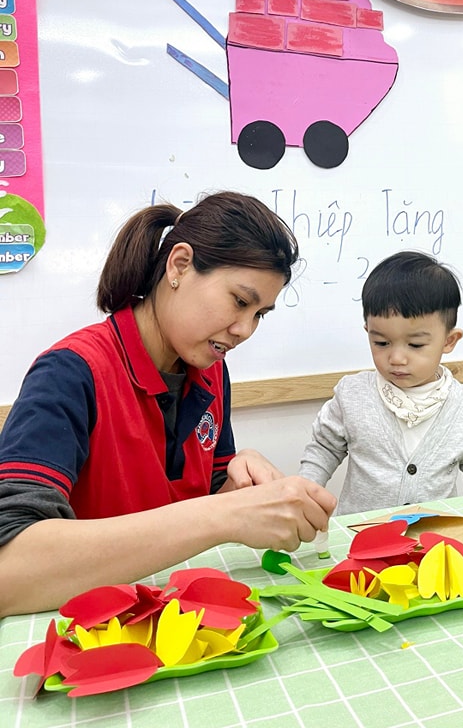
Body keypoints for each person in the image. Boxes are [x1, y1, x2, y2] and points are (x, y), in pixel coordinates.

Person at [0, 191, 335, 617]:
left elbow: (205, 501)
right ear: (179, 265)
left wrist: (240, 485)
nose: (245, 329)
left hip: (176, 617)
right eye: (239, 301)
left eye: (260, 314)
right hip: (89, 628)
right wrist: (225, 513)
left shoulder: (210, 371)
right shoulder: (70, 373)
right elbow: (9, 571)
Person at [299, 250, 463, 515]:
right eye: (381, 343)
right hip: (362, 533)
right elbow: (324, 449)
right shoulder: (352, 395)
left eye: (415, 345)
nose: (396, 358)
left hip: (432, 534)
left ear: (449, 341)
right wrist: (304, 494)